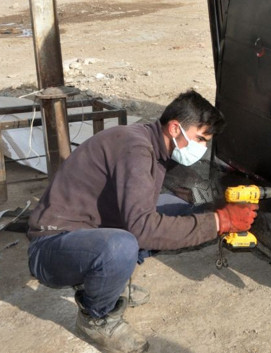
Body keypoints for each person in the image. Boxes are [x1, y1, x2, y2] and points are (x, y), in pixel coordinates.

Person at [27, 89, 257, 353]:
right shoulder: (135, 148)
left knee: (179, 210)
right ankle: (96, 317)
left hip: (87, 232)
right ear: (174, 128)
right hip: (51, 247)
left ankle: (108, 280)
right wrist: (220, 221)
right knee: (121, 245)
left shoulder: (149, 141)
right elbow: (143, 228)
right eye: (200, 138)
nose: (202, 147)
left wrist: (213, 211)